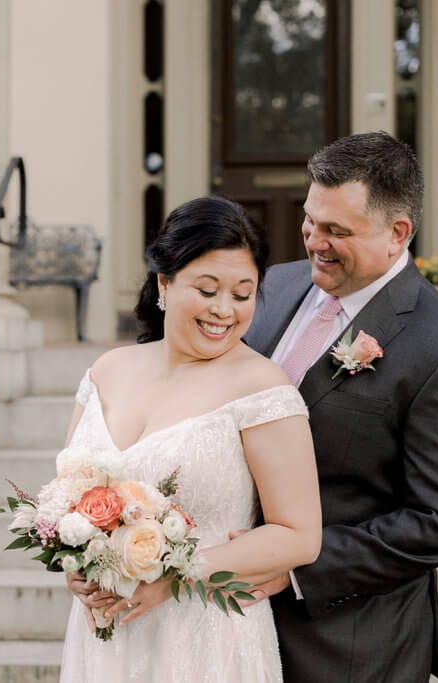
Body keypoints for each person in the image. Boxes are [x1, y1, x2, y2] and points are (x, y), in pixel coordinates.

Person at [241, 131, 438, 682]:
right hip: (230, 624)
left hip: (350, 642)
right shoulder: (272, 286)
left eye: (337, 231)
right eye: (311, 220)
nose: (314, 241)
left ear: (397, 233)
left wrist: (296, 564)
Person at [60, 196, 322, 682]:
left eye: (243, 295)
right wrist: (75, 566)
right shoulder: (106, 371)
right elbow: (66, 502)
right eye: (207, 290)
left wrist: (174, 576)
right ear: (164, 282)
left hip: (207, 637)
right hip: (107, 633)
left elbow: (299, 535)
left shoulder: (263, 387)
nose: (224, 310)